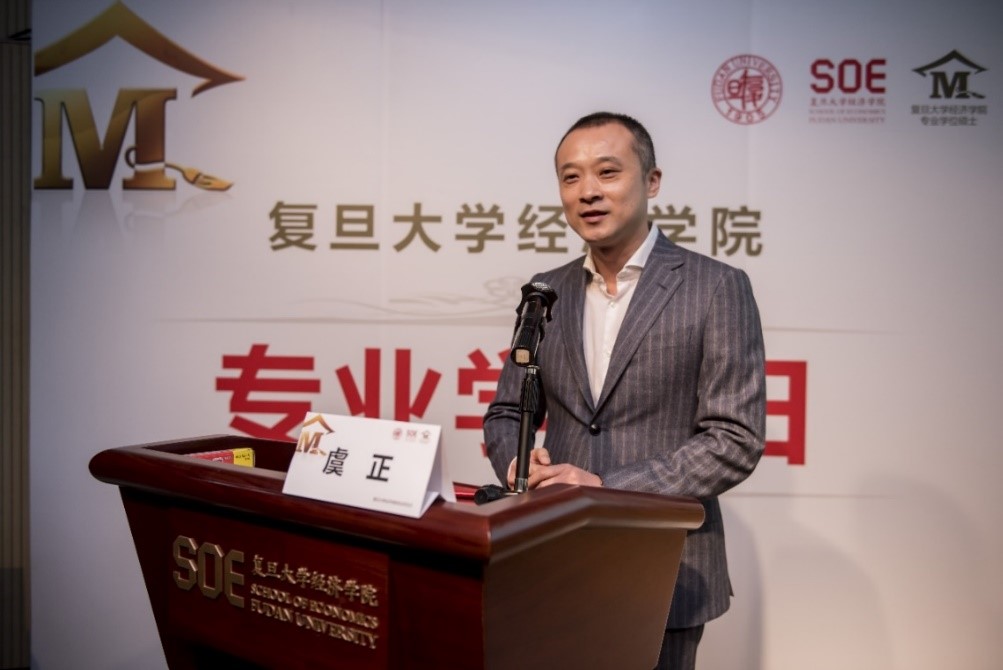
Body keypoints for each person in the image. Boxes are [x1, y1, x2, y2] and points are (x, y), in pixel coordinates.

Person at [483, 111, 766, 670]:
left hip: (664, 565)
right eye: (570, 177)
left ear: (652, 181)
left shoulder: (716, 287)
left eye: (607, 172)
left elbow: (735, 438)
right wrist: (517, 464)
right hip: (549, 558)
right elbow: (507, 411)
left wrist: (605, 488)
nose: (587, 191)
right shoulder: (545, 293)